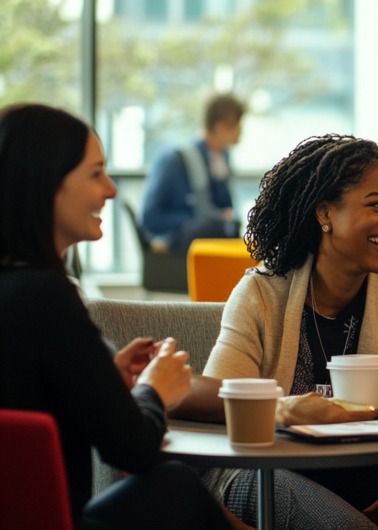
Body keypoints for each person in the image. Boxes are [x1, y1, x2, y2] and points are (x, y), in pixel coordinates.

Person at [170, 134, 378, 530]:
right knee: (292, 496)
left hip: (372, 471)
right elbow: (214, 394)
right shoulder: (262, 292)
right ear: (325, 213)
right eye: (377, 205)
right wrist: (284, 409)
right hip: (276, 471)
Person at [0, 104, 248, 530]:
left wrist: (100, 377)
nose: (112, 191)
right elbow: (133, 450)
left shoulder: (15, 289)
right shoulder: (48, 295)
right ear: (48, 184)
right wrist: (154, 390)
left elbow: (25, 396)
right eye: (96, 173)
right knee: (174, 484)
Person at [141, 94, 244, 253]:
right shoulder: (174, 160)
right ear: (221, 126)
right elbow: (150, 218)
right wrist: (200, 221)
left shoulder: (222, 160)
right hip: (181, 254)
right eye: (238, 124)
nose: (241, 131)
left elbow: (227, 209)